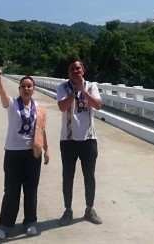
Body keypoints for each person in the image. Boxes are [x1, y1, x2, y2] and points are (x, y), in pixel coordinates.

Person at [0, 67, 50, 240]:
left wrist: (47, 150)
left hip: (33, 154)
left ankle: (30, 222)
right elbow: (2, 94)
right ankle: (5, 225)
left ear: (34, 88)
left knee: (31, 190)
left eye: (29, 86)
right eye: (23, 86)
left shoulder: (39, 108)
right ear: (19, 88)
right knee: (11, 191)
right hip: (13, 154)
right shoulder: (12, 105)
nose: (26, 88)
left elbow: (42, 130)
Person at [56, 59, 103, 226]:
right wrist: (75, 92)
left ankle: (89, 209)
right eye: (72, 69)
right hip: (68, 140)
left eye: (78, 68)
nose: (75, 72)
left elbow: (98, 105)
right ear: (68, 73)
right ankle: (67, 210)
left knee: (89, 176)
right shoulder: (63, 87)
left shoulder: (92, 86)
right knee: (68, 176)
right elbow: (62, 107)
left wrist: (84, 91)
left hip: (89, 139)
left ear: (83, 70)